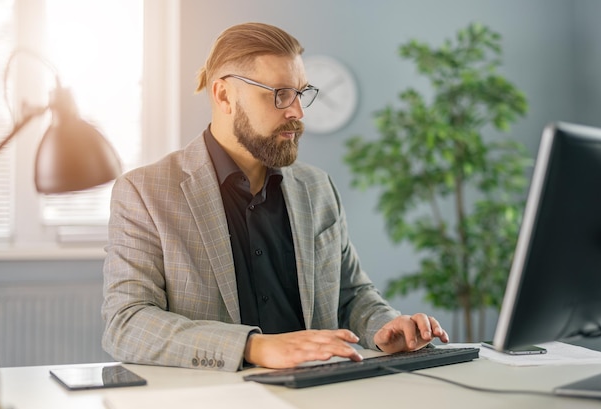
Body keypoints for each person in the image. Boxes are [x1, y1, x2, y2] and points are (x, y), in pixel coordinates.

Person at [101, 21, 449, 372]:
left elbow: (352, 295)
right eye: (280, 93)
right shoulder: (144, 193)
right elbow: (127, 324)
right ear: (223, 95)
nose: (297, 112)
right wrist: (253, 347)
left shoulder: (317, 188)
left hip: (320, 393)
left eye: (301, 93)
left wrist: (384, 326)